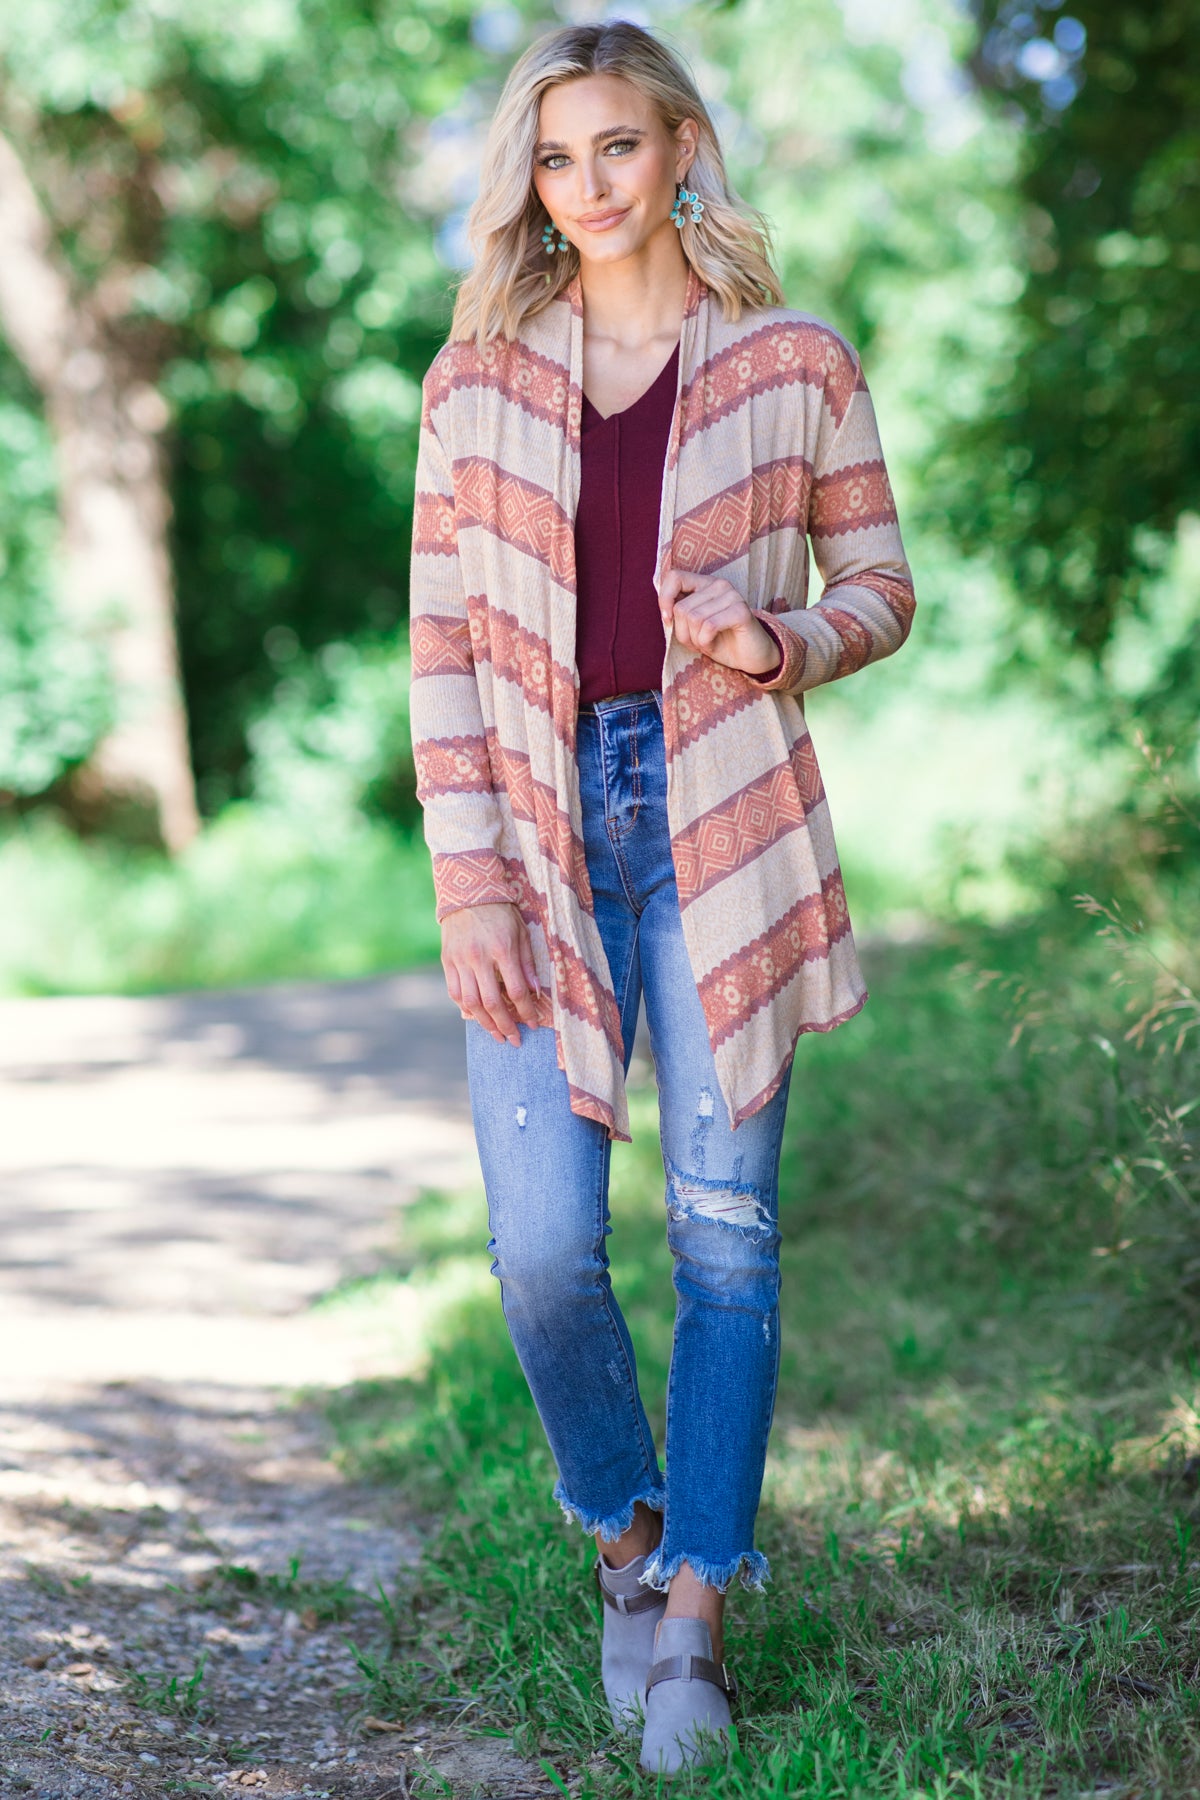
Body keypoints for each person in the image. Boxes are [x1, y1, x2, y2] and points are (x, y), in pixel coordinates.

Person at [408, 17, 914, 1776]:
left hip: (726, 825)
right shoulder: (476, 382)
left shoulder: (795, 362)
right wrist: (471, 885)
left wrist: (780, 639)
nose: (588, 185)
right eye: (555, 158)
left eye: (616, 145)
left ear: (682, 145)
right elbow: (443, 650)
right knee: (544, 1255)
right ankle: (626, 1534)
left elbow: (882, 582)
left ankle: (696, 1607)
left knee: (723, 1239)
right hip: (539, 837)